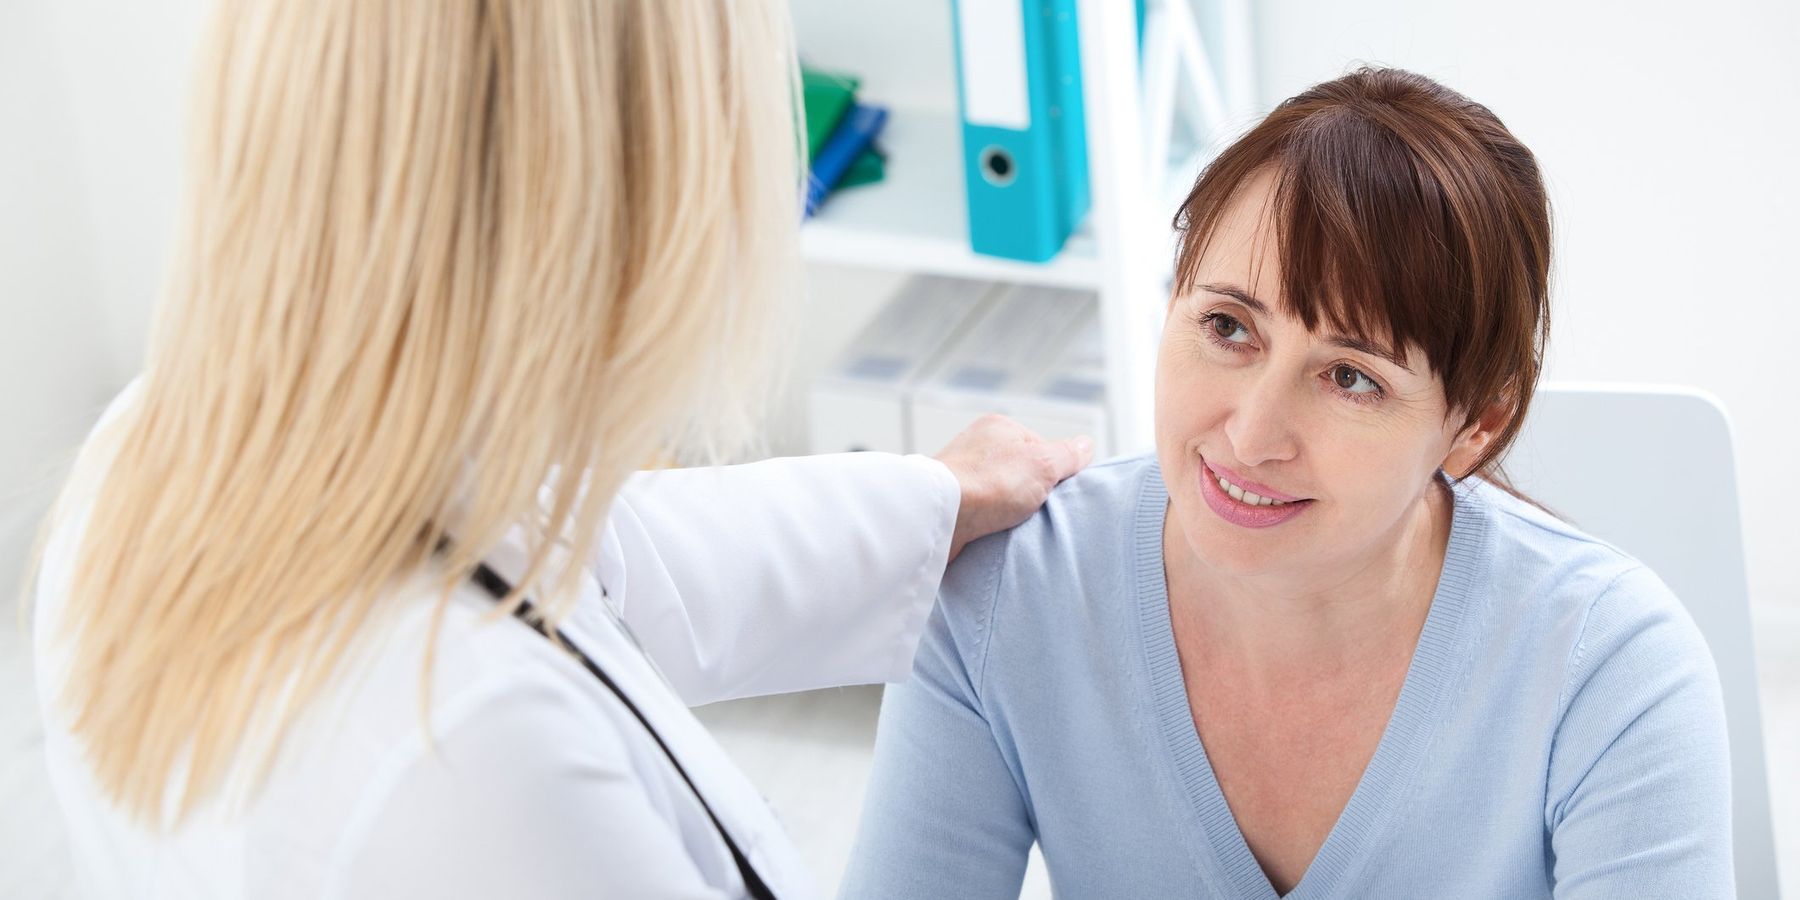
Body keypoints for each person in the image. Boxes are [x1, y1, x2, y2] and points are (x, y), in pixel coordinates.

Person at [25, 2, 1091, 898]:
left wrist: (929, 500)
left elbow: (584, 554)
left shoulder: (146, 457)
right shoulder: (478, 765)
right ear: (629, 184)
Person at [841, 68, 1732, 899]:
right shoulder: (1002, 590)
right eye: (1228, 326)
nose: (1251, 436)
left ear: (1476, 427)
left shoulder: (1609, 669)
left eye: (1350, 377)